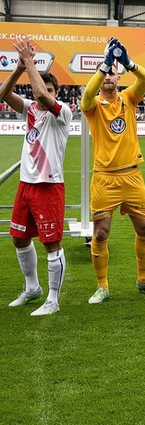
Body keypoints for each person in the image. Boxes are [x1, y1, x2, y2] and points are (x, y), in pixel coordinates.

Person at [80, 37, 145, 303]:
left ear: (118, 76)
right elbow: (87, 95)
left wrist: (128, 62)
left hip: (132, 175)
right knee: (100, 233)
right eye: (105, 73)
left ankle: (144, 279)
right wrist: (104, 65)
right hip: (105, 178)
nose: (108, 77)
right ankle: (102, 286)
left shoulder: (128, 98)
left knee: (144, 229)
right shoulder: (94, 105)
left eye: (112, 73)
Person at [0, 36, 71, 316]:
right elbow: (4, 94)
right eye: (44, 87)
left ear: (57, 92)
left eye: (51, 88)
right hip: (26, 185)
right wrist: (19, 68)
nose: (45, 92)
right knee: (18, 238)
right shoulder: (30, 109)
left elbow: (41, 95)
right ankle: (33, 289)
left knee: (51, 243)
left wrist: (30, 60)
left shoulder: (61, 112)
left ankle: (53, 299)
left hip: (48, 186)